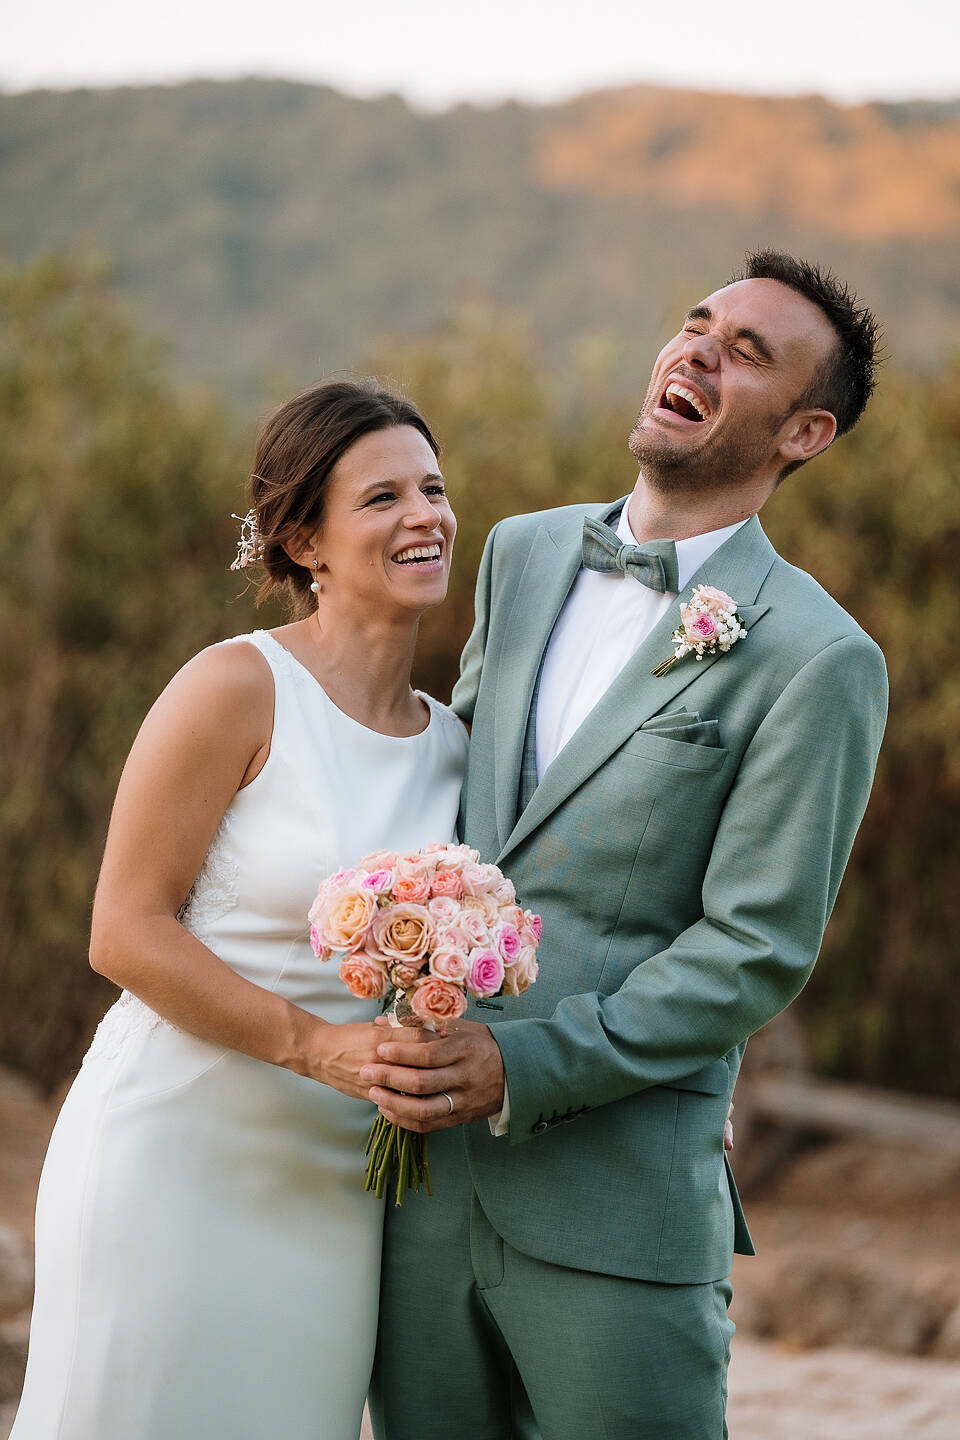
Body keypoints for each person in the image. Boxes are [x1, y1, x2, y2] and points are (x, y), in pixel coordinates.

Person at [366, 251, 888, 1439]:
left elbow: (755, 950)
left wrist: (527, 1065)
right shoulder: (520, 549)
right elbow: (462, 823)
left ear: (804, 433)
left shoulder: (821, 657)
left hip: (616, 1206)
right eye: (698, 325)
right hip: (418, 1183)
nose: (698, 351)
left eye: (747, 352)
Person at [11, 380, 466, 1440]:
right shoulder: (234, 688)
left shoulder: (457, 744)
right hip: (174, 1155)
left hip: (338, 1193)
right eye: (383, 497)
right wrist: (318, 1047)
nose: (424, 516)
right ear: (303, 539)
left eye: (435, 489)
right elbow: (122, 930)